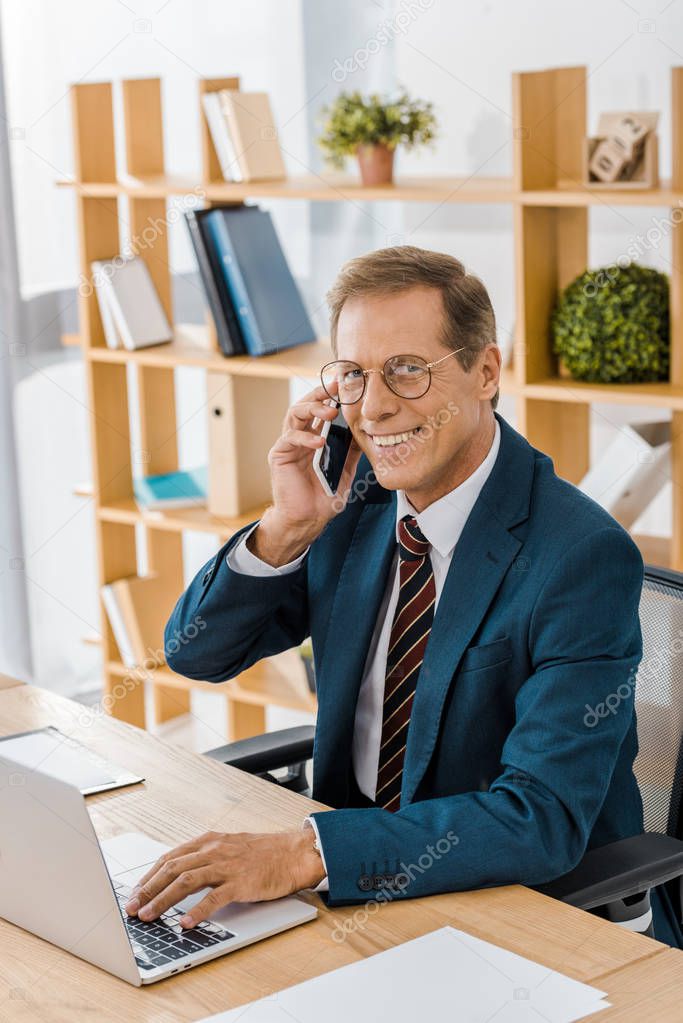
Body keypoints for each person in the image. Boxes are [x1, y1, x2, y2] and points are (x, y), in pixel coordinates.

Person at [124, 245, 678, 946]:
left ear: (485, 371)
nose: (376, 406)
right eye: (354, 374)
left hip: (516, 913)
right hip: (348, 896)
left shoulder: (577, 556)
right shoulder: (346, 505)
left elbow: (539, 818)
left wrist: (306, 851)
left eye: (407, 370)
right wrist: (284, 528)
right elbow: (194, 653)